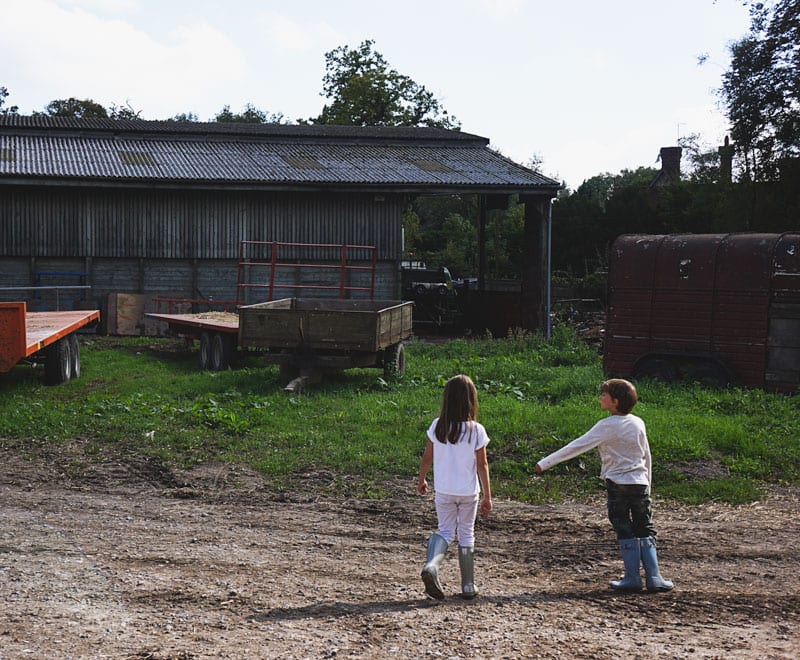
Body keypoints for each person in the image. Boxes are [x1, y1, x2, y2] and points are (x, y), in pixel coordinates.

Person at [534, 378, 673, 593]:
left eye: (604, 395)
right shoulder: (639, 422)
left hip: (617, 484)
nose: (600, 398)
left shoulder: (606, 426)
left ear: (615, 401)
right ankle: (654, 578)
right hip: (640, 484)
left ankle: (632, 578)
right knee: (644, 526)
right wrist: (649, 485)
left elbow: (577, 446)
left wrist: (545, 463)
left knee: (623, 526)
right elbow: (646, 455)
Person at [417, 374, 493, 600]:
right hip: (468, 492)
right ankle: (468, 586)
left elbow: (427, 457)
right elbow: (482, 464)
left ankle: (432, 566)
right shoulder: (476, 430)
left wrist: (421, 478)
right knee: (466, 533)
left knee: (446, 531)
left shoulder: (437, 426)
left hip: (443, 490)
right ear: (471, 400)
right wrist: (488, 495)